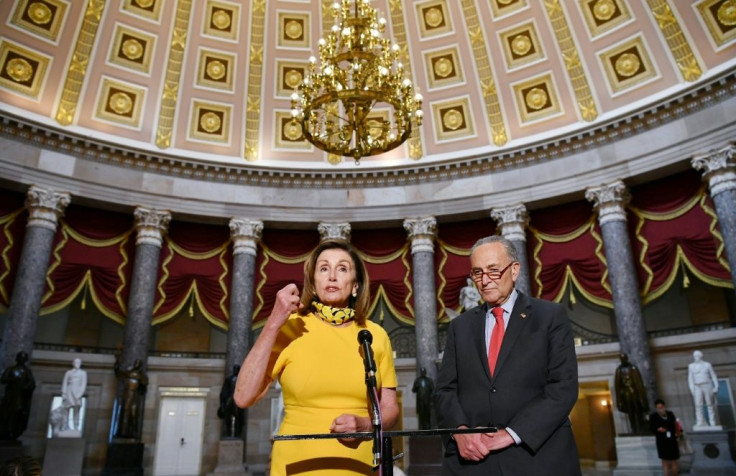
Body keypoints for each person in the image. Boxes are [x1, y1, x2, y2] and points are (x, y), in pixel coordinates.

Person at [234, 239, 399, 475]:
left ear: (355, 286)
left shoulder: (375, 335)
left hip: (359, 464)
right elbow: (243, 396)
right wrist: (273, 322)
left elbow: (391, 409)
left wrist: (364, 424)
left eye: (342, 268)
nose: (332, 276)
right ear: (313, 282)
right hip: (296, 465)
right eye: (323, 269)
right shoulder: (290, 327)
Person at [435, 236, 581, 475]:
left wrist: (511, 434)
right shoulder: (459, 327)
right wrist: (459, 432)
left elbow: (563, 388)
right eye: (477, 273)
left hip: (539, 458)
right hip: (473, 461)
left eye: (493, 270)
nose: (484, 281)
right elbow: (444, 391)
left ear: (514, 271)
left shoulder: (550, 316)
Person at [0, 351, 36, 440]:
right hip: (10, 396)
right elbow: (3, 379)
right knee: (6, 413)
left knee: (19, 413)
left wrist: (25, 387)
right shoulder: (11, 369)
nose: (22, 359)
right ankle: (6, 431)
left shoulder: (27, 371)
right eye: (21, 357)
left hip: (21, 396)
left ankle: (13, 431)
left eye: (24, 358)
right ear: (17, 358)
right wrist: (13, 379)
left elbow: (32, 383)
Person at [614, 353, 649, 434]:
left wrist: (642, 396)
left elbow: (638, 382)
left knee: (638, 409)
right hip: (626, 392)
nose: (622, 360)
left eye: (623, 358)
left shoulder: (633, 368)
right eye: (621, 358)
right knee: (630, 410)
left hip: (635, 391)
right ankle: (633, 428)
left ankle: (641, 426)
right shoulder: (619, 370)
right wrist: (619, 400)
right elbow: (617, 385)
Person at [114, 358, 148, 439]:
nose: (136, 364)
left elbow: (144, 384)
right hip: (127, 393)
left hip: (135, 395)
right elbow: (118, 373)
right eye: (136, 363)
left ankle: (133, 432)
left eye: (138, 363)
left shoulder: (141, 376)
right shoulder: (128, 373)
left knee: (134, 413)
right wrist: (117, 364)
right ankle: (122, 432)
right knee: (125, 411)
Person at [688, 350, 719, 427]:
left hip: (707, 385)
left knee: (709, 404)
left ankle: (712, 422)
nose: (696, 357)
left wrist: (716, 386)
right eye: (694, 356)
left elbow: (713, 376)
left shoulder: (707, 365)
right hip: (697, 386)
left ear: (701, 356)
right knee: (698, 405)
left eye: (697, 356)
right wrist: (691, 388)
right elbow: (690, 378)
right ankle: (700, 421)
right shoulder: (691, 366)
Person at [649, 398, 680, 476]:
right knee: (665, 461)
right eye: (658, 408)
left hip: (672, 439)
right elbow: (652, 428)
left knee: (674, 460)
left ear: (664, 406)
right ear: (656, 408)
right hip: (662, 440)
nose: (660, 409)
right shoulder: (653, 416)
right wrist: (658, 429)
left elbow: (675, 424)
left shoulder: (670, 414)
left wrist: (678, 432)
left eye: (661, 407)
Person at [218, 364, 245, 437]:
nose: (236, 370)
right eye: (235, 369)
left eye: (237, 369)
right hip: (230, 399)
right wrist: (223, 403)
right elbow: (224, 391)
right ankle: (228, 433)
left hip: (238, 401)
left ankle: (237, 434)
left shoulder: (242, 380)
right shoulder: (229, 379)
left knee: (238, 418)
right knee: (228, 417)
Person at [61, 358, 87, 432]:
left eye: (79, 362)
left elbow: (83, 385)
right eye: (76, 362)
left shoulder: (83, 373)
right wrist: (64, 393)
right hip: (69, 391)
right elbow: (65, 383)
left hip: (77, 392)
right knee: (66, 410)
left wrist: (79, 394)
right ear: (73, 363)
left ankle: (76, 426)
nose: (77, 364)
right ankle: (64, 426)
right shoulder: (68, 372)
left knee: (76, 411)